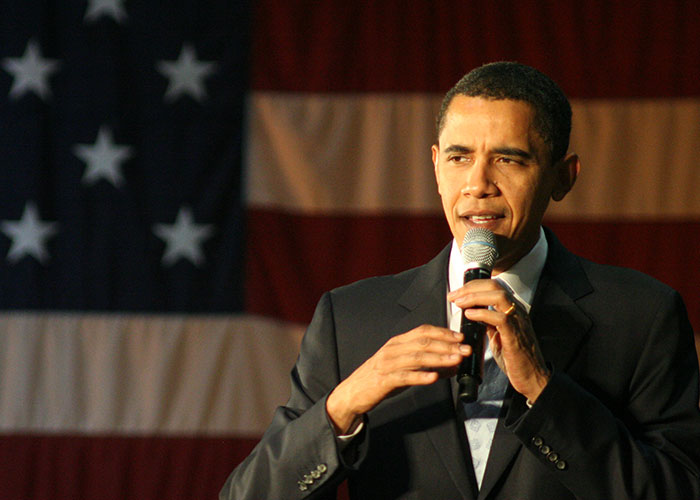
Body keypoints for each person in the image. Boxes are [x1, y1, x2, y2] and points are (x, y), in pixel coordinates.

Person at [220, 62, 700, 499]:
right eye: (459, 157)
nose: (478, 183)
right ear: (434, 166)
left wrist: (543, 388)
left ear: (563, 177)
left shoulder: (642, 316)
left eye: (509, 159)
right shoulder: (349, 319)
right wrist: (342, 407)